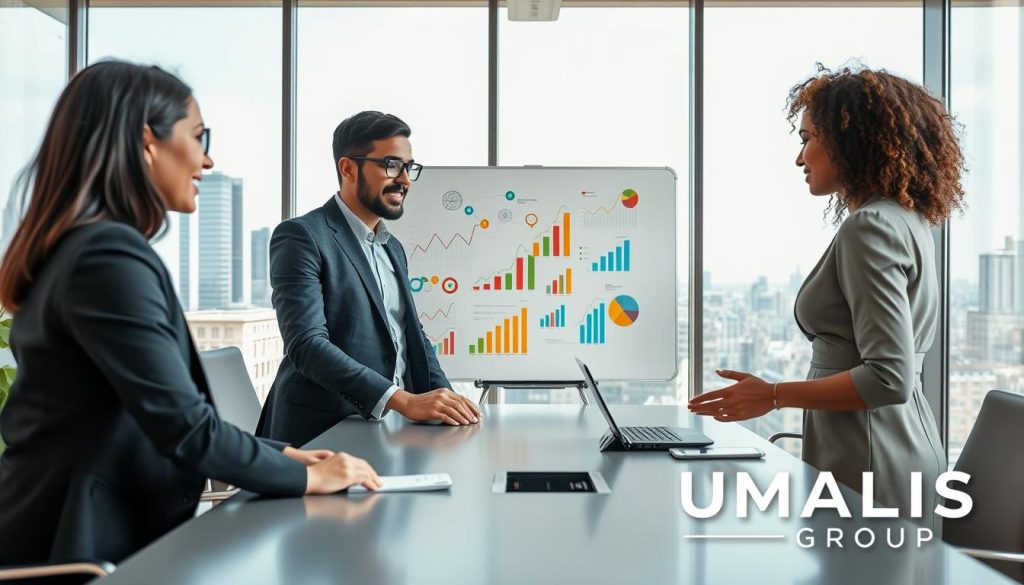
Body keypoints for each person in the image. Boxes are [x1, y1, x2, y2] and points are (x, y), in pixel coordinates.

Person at [0, 61, 381, 567]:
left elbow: (150, 414)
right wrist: (308, 476)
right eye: (199, 136)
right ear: (147, 141)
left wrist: (286, 456)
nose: (207, 159)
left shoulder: (85, 247)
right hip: (79, 554)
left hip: (81, 536)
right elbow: (184, 428)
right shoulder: (106, 257)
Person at [688, 65, 965, 533]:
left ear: (850, 139)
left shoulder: (870, 227)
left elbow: (888, 377)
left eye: (808, 137)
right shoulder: (907, 220)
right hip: (888, 447)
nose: (800, 157)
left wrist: (772, 395)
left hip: (871, 458)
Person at [256, 111, 482, 448]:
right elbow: (307, 345)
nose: (404, 179)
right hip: (319, 435)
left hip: (386, 433)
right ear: (348, 168)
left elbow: (411, 335)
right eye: (391, 165)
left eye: (409, 168)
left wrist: (447, 400)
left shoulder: (393, 247)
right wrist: (403, 400)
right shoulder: (302, 236)